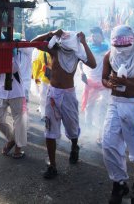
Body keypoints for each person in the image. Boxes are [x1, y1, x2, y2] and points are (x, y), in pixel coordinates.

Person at [31, 29, 96, 179]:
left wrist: (84, 42)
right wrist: (50, 33)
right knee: (50, 130)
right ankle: (52, 165)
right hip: (53, 94)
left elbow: (92, 64)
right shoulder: (55, 50)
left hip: (69, 95)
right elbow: (34, 43)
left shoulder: (76, 54)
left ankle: (74, 146)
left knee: (73, 129)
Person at [101, 25, 134, 204]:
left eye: (126, 45)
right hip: (115, 104)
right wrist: (109, 84)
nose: (122, 50)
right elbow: (103, 77)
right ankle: (119, 182)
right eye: (118, 46)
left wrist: (127, 83)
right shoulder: (109, 56)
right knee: (108, 143)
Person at [0, 47, 28, 158]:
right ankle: (11, 138)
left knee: (19, 121)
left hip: (16, 93)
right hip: (2, 92)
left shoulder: (15, 56)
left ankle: (18, 148)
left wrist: (9, 53)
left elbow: (13, 68)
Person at [79, 26, 110, 145]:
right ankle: (88, 130)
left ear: (101, 37)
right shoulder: (86, 49)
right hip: (90, 83)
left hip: (103, 83)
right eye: (92, 35)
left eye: (96, 35)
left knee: (103, 107)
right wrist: (81, 73)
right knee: (89, 107)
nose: (93, 37)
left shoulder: (107, 50)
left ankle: (100, 134)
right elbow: (80, 63)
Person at [32, 49, 52, 119]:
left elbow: (37, 66)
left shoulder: (42, 52)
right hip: (54, 80)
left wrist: (35, 77)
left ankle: (44, 114)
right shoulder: (57, 51)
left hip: (44, 78)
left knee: (43, 98)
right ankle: (48, 114)